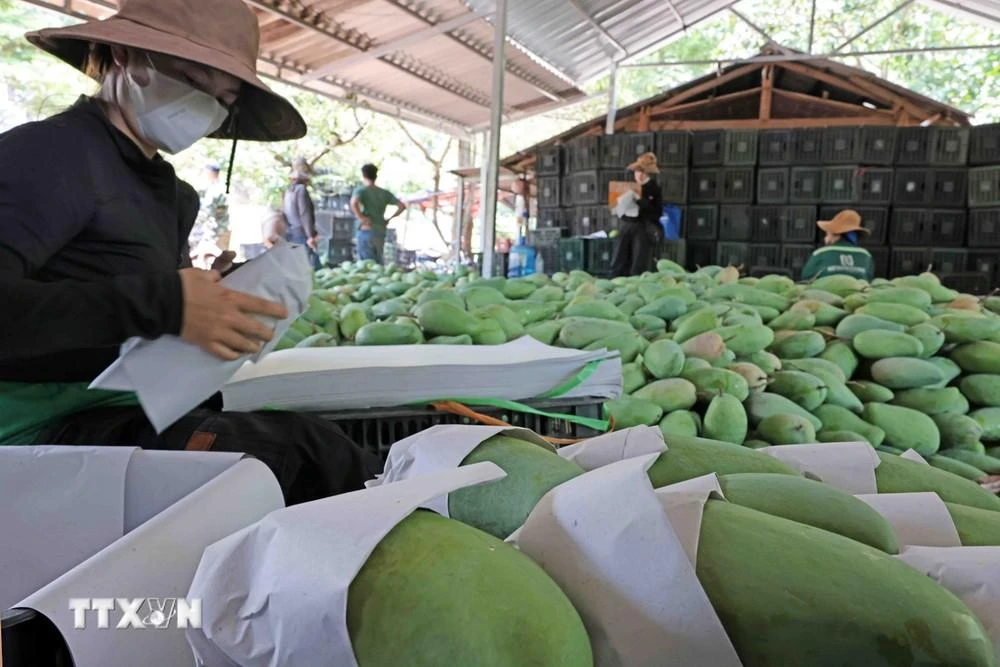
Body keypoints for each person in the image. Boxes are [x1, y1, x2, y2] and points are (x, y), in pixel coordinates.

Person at [0, 0, 379, 505]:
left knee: (317, 448)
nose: (207, 106)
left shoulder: (172, 195)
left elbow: (132, 308)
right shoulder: (50, 155)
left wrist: (216, 298)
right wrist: (164, 304)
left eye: (222, 98)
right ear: (122, 55)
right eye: (195, 81)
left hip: (130, 411)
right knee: (303, 457)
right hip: (35, 435)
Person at [611, 152, 663, 277]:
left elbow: (657, 212)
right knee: (620, 258)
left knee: (638, 261)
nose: (639, 175)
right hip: (628, 224)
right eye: (637, 172)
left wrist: (640, 200)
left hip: (643, 227)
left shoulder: (653, 188)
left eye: (643, 172)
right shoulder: (629, 187)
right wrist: (619, 209)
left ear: (648, 174)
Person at [350, 163, 406, 264]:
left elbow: (354, 203)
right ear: (376, 176)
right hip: (380, 231)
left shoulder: (361, 190)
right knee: (377, 263)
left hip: (366, 230)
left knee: (366, 265)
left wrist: (361, 217)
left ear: (363, 175)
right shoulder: (384, 193)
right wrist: (389, 219)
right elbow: (402, 206)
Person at [800, 209, 876, 282]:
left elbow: (806, 278)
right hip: (858, 295)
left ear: (836, 234)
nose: (825, 238)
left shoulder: (820, 253)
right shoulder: (866, 255)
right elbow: (869, 279)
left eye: (827, 234)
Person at [282, 157, 321, 270]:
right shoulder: (301, 190)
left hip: (292, 232)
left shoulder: (289, 191)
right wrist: (310, 236)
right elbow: (305, 214)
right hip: (301, 234)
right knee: (311, 267)